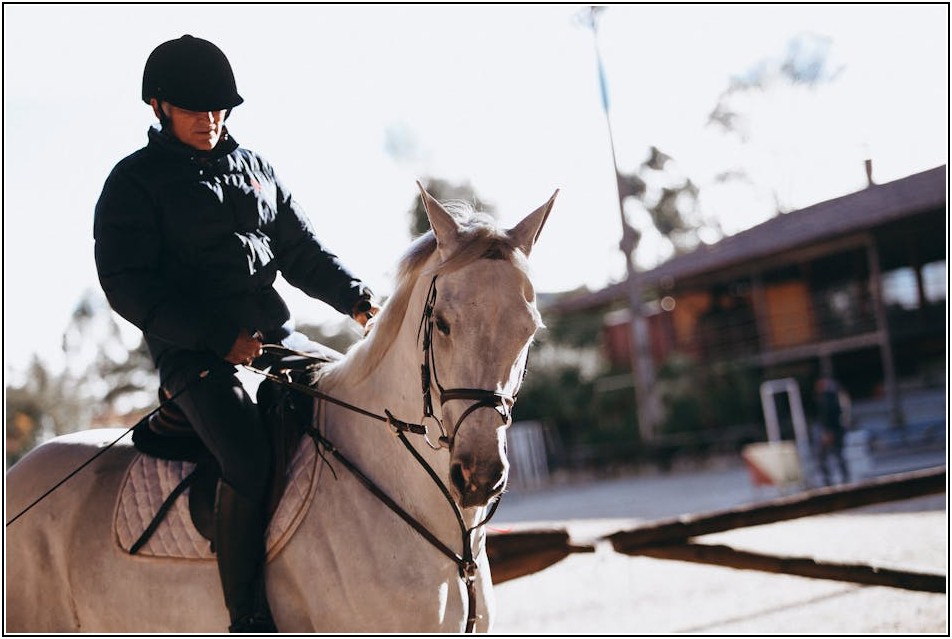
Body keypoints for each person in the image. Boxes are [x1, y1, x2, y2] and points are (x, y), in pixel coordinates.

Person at [93, 35, 378, 633]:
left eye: (220, 108)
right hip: (194, 356)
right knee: (248, 460)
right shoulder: (133, 184)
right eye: (197, 109)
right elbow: (128, 286)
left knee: (359, 405)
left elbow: (300, 252)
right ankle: (246, 615)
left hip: (278, 342)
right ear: (159, 107)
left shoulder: (257, 168)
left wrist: (356, 299)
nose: (212, 119)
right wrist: (218, 337)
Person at [814, 376, 850, 486]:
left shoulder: (828, 399)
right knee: (836, 454)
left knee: (827, 456)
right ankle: (843, 477)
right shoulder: (833, 397)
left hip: (832, 431)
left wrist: (828, 432)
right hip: (835, 430)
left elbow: (829, 416)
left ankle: (831, 479)